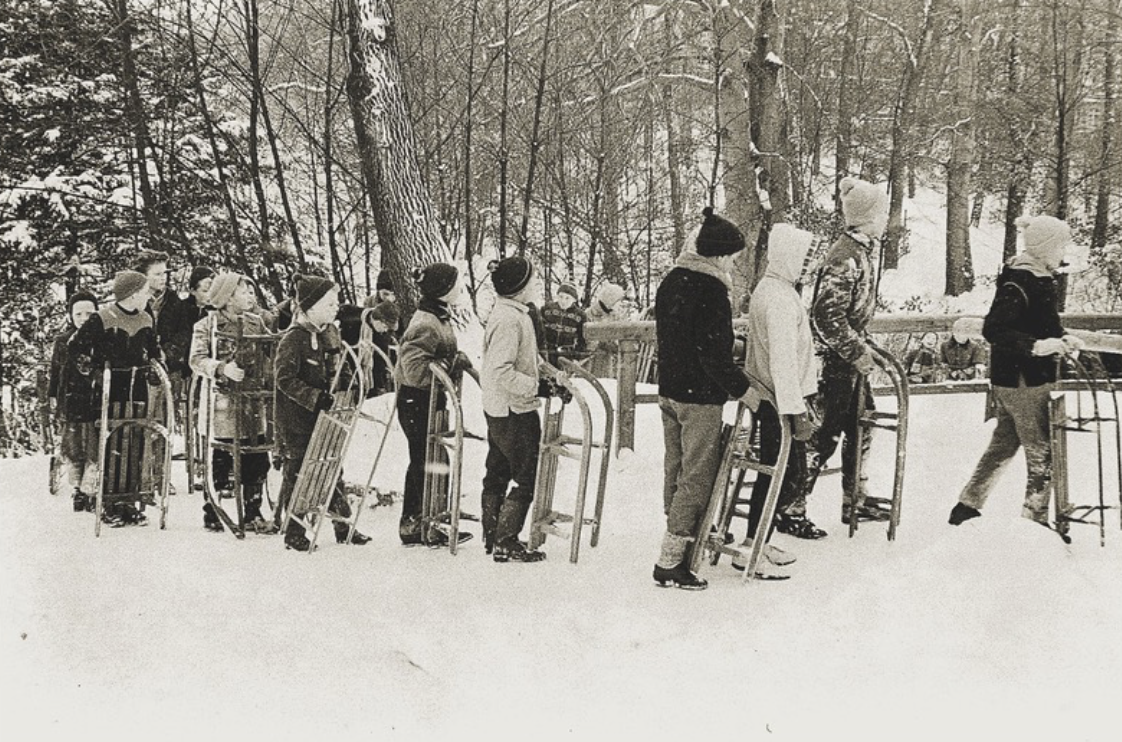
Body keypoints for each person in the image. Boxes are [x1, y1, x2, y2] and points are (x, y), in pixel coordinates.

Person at [949, 215, 1083, 527]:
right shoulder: (1020, 280)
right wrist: (1037, 346)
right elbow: (996, 329)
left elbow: (1039, 323)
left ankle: (967, 507)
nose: (1064, 250)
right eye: (1061, 244)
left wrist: (1062, 338)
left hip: (1017, 379)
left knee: (1004, 444)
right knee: (1041, 454)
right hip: (1024, 380)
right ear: (1045, 247)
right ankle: (1033, 523)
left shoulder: (1037, 277)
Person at [653, 206, 755, 590]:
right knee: (697, 476)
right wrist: (744, 389)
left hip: (670, 390)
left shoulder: (672, 280)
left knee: (675, 468)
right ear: (716, 254)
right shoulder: (711, 289)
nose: (732, 263)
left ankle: (678, 534)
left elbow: (682, 337)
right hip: (698, 397)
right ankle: (671, 558)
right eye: (731, 256)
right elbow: (713, 353)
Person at [783, 176, 890, 540]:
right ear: (867, 216)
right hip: (834, 364)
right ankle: (792, 506)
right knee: (823, 435)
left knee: (864, 424)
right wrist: (855, 350)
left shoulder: (862, 252)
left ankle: (854, 499)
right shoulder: (845, 256)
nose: (886, 217)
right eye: (881, 211)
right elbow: (826, 316)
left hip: (849, 361)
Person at [733, 223, 824, 578]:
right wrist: (796, 411)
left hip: (776, 397)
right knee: (783, 475)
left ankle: (760, 537)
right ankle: (752, 545)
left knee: (780, 473)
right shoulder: (779, 299)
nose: (806, 266)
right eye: (802, 259)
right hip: (779, 400)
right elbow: (782, 361)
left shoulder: (774, 290)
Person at [275, 275, 372, 551]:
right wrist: (314, 397)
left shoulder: (329, 332)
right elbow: (284, 379)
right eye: (329, 303)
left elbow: (340, 364)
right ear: (310, 306)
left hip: (327, 416)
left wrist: (346, 388)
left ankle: (342, 525)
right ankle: (293, 529)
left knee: (332, 465)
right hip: (299, 420)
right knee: (300, 472)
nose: (335, 308)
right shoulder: (294, 339)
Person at [67, 270, 164, 527]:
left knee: (134, 441)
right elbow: (75, 346)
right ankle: (109, 502)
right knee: (111, 444)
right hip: (110, 389)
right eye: (145, 292)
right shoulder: (103, 317)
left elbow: (153, 349)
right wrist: (95, 373)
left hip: (137, 388)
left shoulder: (146, 317)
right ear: (132, 295)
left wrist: (155, 368)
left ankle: (128, 502)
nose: (149, 296)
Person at [394, 263, 473, 546]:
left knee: (427, 460)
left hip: (427, 401)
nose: (460, 287)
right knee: (428, 462)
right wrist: (449, 363)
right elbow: (414, 370)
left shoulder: (437, 316)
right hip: (417, 400)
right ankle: (424, 523)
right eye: (455, 283)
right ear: (443, 290)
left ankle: (418, 522)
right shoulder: (426, 322)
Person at [189, 272, 274, 534]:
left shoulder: (257, 322)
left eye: (251, 292)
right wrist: (221, 368)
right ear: (226, 297)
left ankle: (252, 510)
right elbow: (196, 359)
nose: (250, 297)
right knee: (223, 456)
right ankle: (214, 509)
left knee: (257, 456)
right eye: (243, 292)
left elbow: (270, 351)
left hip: (253, 401)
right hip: (222, 403)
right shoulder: (206, 325)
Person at [480, 256, 552, 562]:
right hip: (514, 410)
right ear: (520, 287)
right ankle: (506, 538)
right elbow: (501, 370)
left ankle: (492, 534)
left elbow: (529, 359)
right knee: (526, 474)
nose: (536, 284)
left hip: (499, 407)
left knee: (497, 470)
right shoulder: (511, 320)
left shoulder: (511, 313)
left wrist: (552, 375)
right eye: (532, 280)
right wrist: (536, 388)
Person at [48, 290, 100, 512]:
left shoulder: (100, 339)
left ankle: (91, 489)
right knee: (73, 446)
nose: (84, 318)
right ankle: (77, 488)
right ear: (70, 315)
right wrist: (53, 396)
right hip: (70, 401)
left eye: (89, 313)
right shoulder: (63, 340)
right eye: (78, 314)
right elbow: (56, 370)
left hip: (93, 401)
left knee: (93, 446)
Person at [585, 281, 626, 377]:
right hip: (590, 361)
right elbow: (587, 340)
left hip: (607, 360)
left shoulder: (615, 316)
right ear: (611, 300)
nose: (620, 304)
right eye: (618, 301)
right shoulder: (589, 314)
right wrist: (602, 343)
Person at [540, 282, 587, 365]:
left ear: (574, 300)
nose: (563, 301)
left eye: (567, 298)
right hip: (547, 352)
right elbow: (539, 330)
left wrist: (577, 357)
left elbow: (582, 339)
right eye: (560, 297)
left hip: (567, 354)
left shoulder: (580, 315)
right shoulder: (546, 309)